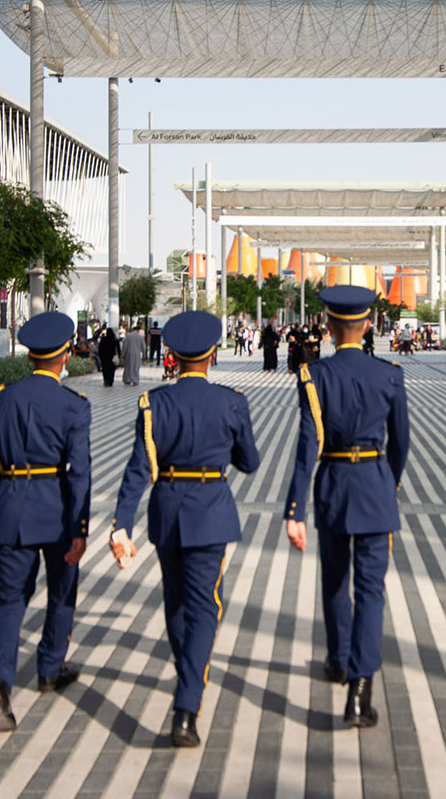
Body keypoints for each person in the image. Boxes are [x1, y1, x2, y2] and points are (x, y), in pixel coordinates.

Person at [109, 312, 260, 747]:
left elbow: (137, 471)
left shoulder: (154, 404)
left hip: (167, 511)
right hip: (211, 512)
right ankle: (186, 707)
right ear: (212, 355)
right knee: (205, 607)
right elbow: (249, 463)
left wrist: (121, 524)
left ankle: (187, 675)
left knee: (176, 603)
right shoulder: (232, 401)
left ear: (171, 356)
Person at [284, 286, 411, 730]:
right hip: (375, 485)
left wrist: (294, 510)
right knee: (371, 590)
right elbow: (402, 443)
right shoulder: (390, 375)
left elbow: (307, 447)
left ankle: (338, 660)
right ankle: (360, 688)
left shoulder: (314, 376)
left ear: (329, 327)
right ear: (369, 324)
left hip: (334, 485)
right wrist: (387, 480)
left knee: (335, 581)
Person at [0, 312, 92, 732]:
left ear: (30, 356)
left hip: (10, 504)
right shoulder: (73, 405)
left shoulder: (0, 399)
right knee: (61, 594)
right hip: (56, 509)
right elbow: (79, 472)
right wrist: (80, 527)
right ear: (64, 356)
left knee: (10, 599)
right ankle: (49, 668)